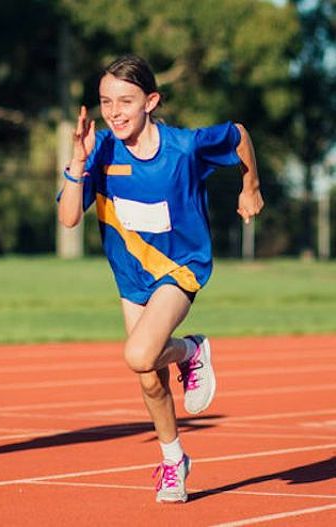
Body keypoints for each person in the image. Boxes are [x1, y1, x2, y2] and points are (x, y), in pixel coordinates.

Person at [57, 55, 263, 503]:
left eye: (126, 100)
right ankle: (174, 460)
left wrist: (251, 187)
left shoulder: (185, 147)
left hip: (181, 267)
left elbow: (239, 134)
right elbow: (69, 217)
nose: (114, 111)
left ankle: (191, 349)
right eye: (106, 101)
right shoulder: (102, 152)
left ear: (151, 101)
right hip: (131, 277)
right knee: (148, 376)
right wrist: (78, 160)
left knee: (139, 353)